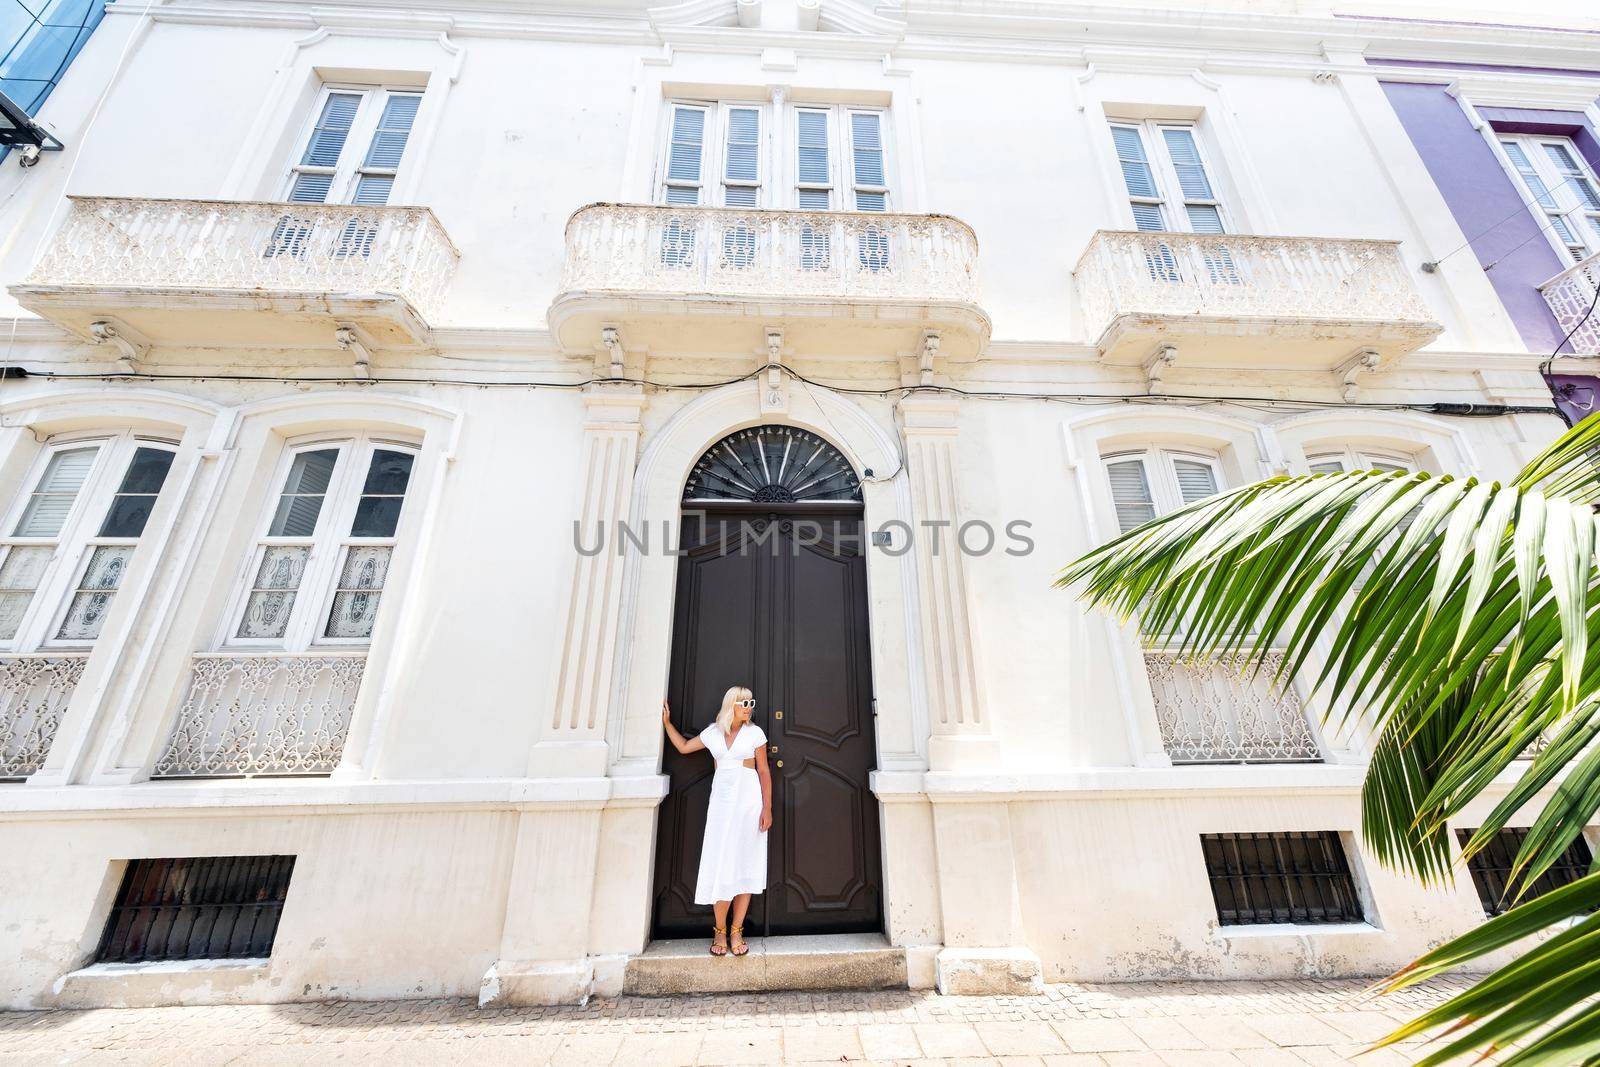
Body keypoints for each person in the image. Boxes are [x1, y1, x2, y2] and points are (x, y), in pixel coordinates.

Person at [661, 686, 773, 957]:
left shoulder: (755, 733)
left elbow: (764, 771)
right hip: (722, 808)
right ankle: (719, 930)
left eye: (750, 702)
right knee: (722, 863)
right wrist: (666, 723)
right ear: (731, 705)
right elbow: (684, 747)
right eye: (743, 702)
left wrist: (767, 808)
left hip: (749, 807)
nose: (748, 707)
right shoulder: (713, 733)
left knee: (745, 864)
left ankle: (737, 931)